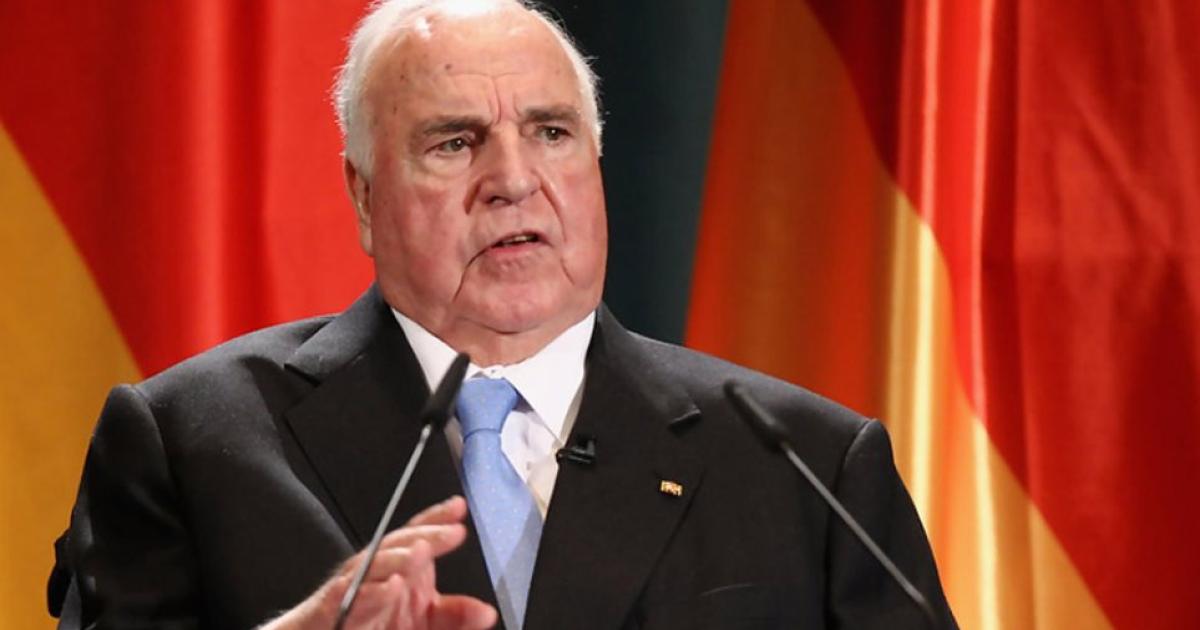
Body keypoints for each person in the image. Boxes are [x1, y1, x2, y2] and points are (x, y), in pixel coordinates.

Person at [50, 1, 957, 628]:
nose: (514, 180)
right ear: (364, 196)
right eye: (455, 142)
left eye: (551, 133)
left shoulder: (806, 465)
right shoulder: (193, 445)